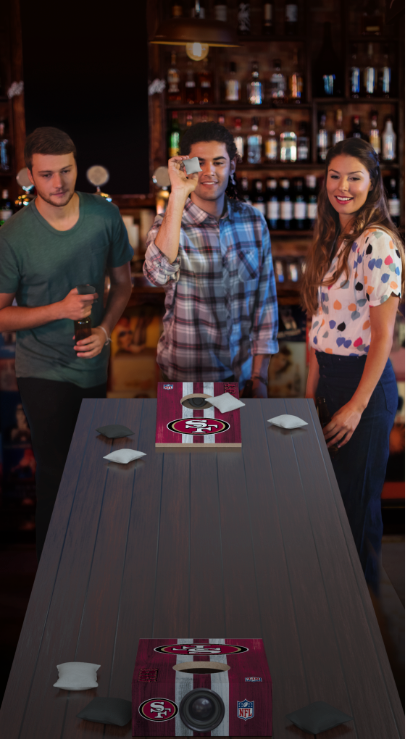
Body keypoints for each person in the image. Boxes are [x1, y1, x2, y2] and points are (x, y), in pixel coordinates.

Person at [0, 127, 133, 559]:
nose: (57, 183)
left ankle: (93, 574)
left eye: (66, 171)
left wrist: (105, 331)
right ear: (29, 176)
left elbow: (124, 284)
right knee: (57, 476)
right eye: (45, 174)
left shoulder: (104, 216)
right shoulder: (13, 235)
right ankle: (53, 593)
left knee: (95, 471)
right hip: (42, 367)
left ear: (77, 166)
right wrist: (59, 309)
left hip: (92, 363)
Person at [302, 138, 404, 594]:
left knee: (356, 511)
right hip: (331, 381)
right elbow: (320, 322)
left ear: (373, 183)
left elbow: (385, 335)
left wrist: (356, 407)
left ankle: (362, 627)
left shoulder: (376, 242)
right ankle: (333, 609)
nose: (342, 187)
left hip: (362, 388)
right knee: (329, 507)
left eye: (354, 177)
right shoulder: (336, 237)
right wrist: (310, 394)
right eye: (334, 176)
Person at [143, 121, 278, 397]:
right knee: (182, 442)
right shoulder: (168, 225)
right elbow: (156, 276)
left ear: (232, 166)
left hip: (241, 378)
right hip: (183, 378)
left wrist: (260, 377)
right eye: (199, 163)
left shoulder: (253, 221)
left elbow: (265, 304)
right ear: (185, 167)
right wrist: (178, 191)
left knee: (241, 442)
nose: (209, 172)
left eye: (218, 162)